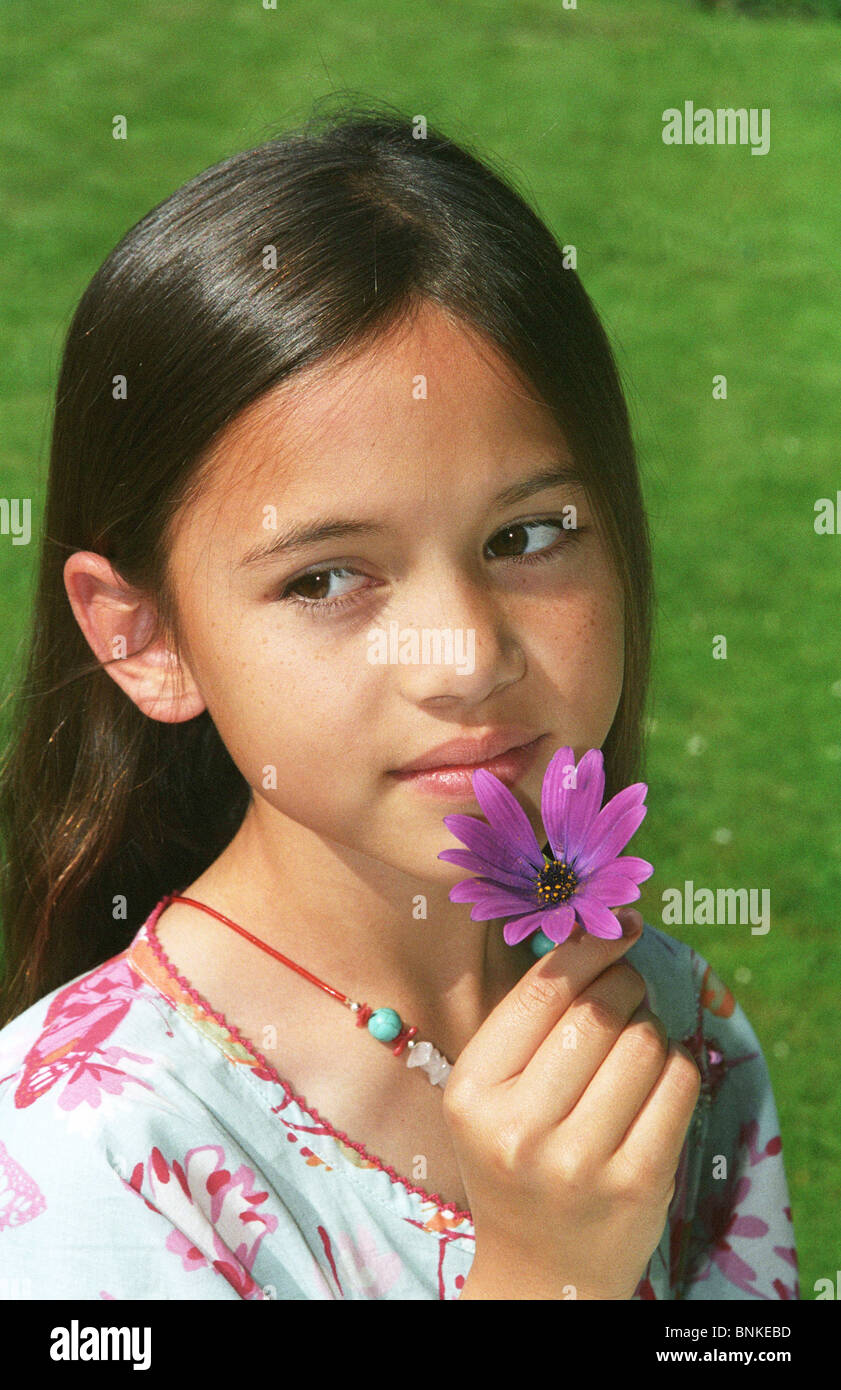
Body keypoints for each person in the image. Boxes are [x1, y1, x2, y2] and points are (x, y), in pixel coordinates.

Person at [0, 101, 798, 1300]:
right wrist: (540, 1277)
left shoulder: (677, 1030)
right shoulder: (87, 1151)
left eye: (525, 534)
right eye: (324, 576)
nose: (465, 655)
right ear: (145, 636)